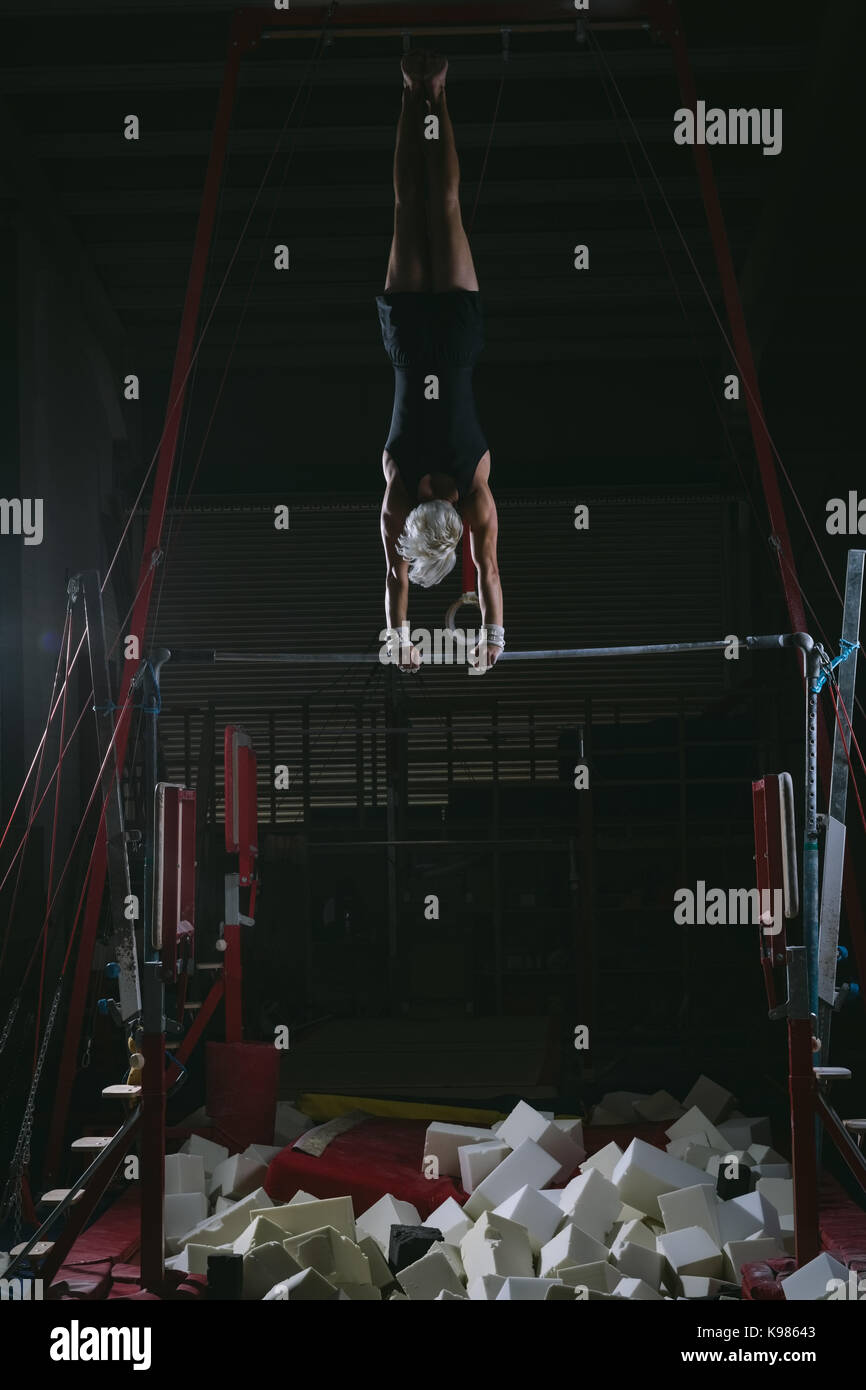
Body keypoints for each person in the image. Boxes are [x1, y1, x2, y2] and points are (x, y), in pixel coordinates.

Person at [378, 50, 504, 674]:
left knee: (422, 210)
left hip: (434, 339)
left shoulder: (424, 499)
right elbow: (403, 584)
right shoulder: (432, 495)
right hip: (431, 338)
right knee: (431, 208)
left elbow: (399, 581)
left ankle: (421, 92)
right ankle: (427, 93)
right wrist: (493, 638)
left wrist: (402, 641)